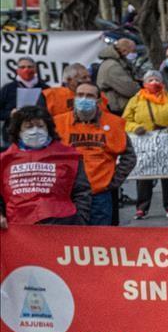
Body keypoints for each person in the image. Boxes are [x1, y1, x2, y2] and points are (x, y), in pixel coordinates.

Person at [54, 83, 136, 226]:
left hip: (99, 194)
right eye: (80, 95)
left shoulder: (113, 123)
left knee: (99, 242)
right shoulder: (58, 123)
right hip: (68, 195)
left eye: (89, 96)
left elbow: (129, 157)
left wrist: (113, 182)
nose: (84, 99)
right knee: (70, 242)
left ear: (98, 101)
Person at [0, 106, 91, 227]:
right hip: (18, 226)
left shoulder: (68, 156)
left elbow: (82, 191)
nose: (35, 130)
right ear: (18, 131)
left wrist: (80, 220)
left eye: (40, 126)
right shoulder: (5, 160)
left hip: (62, 224)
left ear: (48, 129)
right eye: (29, 127)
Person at [122, 69, 168, 220]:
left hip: (166, 141)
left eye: (157, 79)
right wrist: (135, 128)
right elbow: (125, 121)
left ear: (162, 83)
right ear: (144, 83)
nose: (154, 83)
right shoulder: (136, 100)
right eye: (150, 80)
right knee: (144, 175)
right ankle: (142, 208)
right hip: (144, 142)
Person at [0, 57, 48, 148]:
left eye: (30, 67)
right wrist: (10, 113)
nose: (26, 70)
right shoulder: (8, 89)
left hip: (39, 134)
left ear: (35, 69)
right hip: (12, 136)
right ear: (17, 70)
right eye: (22, 67)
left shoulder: (45, 88)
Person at [43, 63, 108, 118]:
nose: (88, 80)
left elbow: (105, 115)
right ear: (69, 80)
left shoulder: (97, 94)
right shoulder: (51, 94)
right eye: (84, 77)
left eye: (89, 77)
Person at [96, 38, 141, 116]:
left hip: (117, 104)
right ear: (124, 51)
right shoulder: (113, 66)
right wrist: (141, 87)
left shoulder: (116, 62)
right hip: (118, 107)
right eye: (133, 51)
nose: (134, 54)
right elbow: (129, 89)